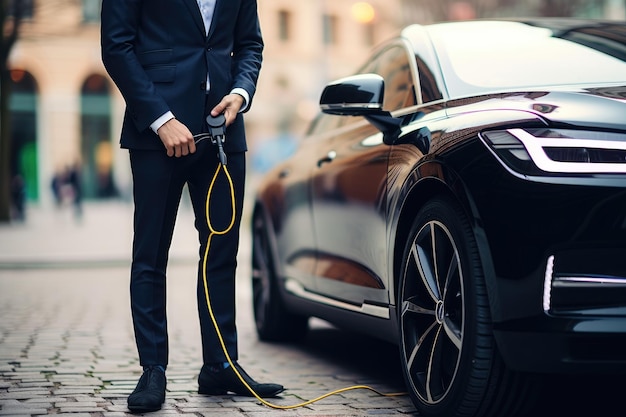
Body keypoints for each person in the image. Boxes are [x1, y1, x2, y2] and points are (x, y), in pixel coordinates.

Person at [100, 0, 283, 413]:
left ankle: (220, 365)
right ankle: (153, 370)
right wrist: (160, 118)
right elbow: (116, 47)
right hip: (156, 134)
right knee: (150, 254)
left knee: (221, 252)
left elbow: (250, 44)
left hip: (224, 131)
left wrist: (240, 92)